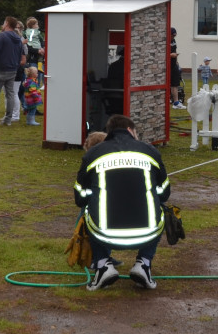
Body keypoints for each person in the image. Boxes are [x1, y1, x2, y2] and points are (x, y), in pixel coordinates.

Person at [74, 114, 171, 291]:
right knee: (163, 209)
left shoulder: (93, 154)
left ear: (108, 132)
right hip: (147, 233)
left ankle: (103, 265)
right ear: (130, 130)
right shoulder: (150, 151)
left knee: (86, 210)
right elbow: (164, 193)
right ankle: (144, 263)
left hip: (103, 234)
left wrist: (97, 194)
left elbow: (80, 196)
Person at [0, 16, 25, 125]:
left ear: (7, 23)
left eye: (4, 22)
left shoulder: (2, 36)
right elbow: (19, 54)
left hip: (1, 69)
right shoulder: (18, 38)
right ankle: (8, 119)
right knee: (10, 94)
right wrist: (16, 66)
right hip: (13, 70)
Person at [169, 27, 184, 108]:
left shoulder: (173, 40)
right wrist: (170, 55)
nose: (173, 37)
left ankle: (176, 102)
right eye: (172, 35)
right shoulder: (164, 41)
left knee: (175, 83)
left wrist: (176, 60)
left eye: (174, 36)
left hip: (174, 64)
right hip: (167, 65)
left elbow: (174, 50)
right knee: (168, 84)